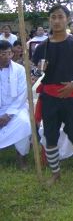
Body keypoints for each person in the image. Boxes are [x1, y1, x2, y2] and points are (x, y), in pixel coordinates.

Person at [32, 4, 73, 186]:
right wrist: (34, 71)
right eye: (53, 17)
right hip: (49, 99)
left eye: (60, 17)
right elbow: (37, 73)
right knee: (50, 137)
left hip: (71, 98)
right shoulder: (42, 47)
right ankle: (55, 173)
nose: (57, 21)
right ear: (49, 20)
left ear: (67, 19)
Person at [0, 40, 31, 170]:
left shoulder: (19, 70)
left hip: (16, 108)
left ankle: (21, 157)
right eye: (2, 54)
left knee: (24, 123)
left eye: (9, 53)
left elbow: (22, 95)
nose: (7, 56)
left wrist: (8, 115)